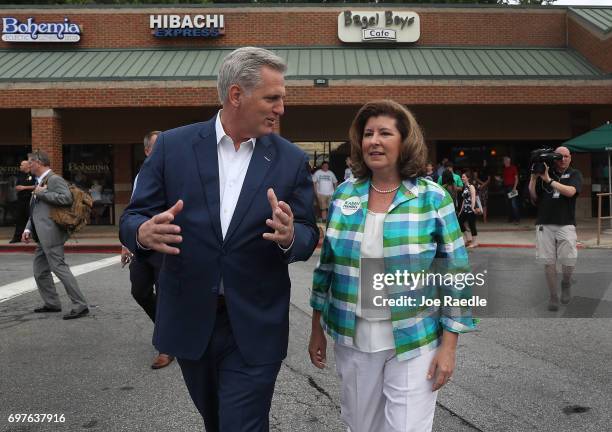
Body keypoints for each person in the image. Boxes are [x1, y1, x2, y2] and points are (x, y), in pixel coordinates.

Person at [120, 47, 319, 431]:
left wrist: (291, 235)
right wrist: (142, 233)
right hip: (190, 318)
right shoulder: (173, 147)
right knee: (215, 420)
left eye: (282, 99)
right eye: (272, 98)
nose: (281, 109)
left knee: (241, 424)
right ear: (236, 95)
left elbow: (309, 233)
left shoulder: (290, 159)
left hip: (255, 322)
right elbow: (132, 216)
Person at [309, 100, 476, 432]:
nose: (374, 140)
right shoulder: (345, 195)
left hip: (414, 339)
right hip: (353, 337)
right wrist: (316, 329)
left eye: (385, 133)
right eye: (368, 133)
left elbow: (456, 274)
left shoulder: (433, 198)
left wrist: (450, 346)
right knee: (360, 426)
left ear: (405, 141)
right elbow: (326, 268)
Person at [120, 130, 173, 370]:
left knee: (165, 294)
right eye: (158, 146)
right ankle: (165, 330)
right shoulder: (141, 175)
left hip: (165, 242)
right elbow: (133, 211)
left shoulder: (173, 173)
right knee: (139, 291)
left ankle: (167, 345)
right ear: (147, 150)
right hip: (142, 244)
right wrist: (126, 242)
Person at [22, 150, 90, 320]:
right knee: (40, 271)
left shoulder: (54, 179)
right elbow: (36, 210)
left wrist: (41, 192)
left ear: (38, 162)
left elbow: (66, 198)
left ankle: (80, 305)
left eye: (30, 162)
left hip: (51, 233)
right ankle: (52, 303)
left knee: (59, 267)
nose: (28, 165)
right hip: (42, 234)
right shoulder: (40, 182)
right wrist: (28, 229)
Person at [528, 146, 582, 312]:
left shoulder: (574, 174)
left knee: (569, 260)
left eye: (566, 156)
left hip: (566, 222)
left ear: (570, 158)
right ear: (554, 158)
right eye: (560, 157)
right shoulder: (545, 171)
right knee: (548, 262)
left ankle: (565, 282)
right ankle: (553, 296)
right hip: (545, 223)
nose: (563, 160)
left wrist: (549, 180)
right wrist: (534, 177)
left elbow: (571, 192)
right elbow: (533, 196)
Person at [10, 160, 36, 243]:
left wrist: (24, 187)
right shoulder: (20, 175)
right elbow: (17, 186)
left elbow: (37, 186)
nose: (20, 166)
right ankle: (17, 237)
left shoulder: (34, 175)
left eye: (22, 165)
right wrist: (17, 188)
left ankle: (36, 237)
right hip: (21, 200)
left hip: (30, 200)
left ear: (28, 166)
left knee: (32, 219)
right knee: (19, 219)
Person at [458, 171, 479, 248]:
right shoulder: (465, 187)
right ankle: (468, 239)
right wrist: (460, 211)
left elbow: (473, 197)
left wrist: (473, 207)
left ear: (468, 178)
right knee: (459, 222)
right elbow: (464, 200)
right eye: (462, 177)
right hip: (465, 209)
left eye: (463, 177)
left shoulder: (471, 186)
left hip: (471, 209)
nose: (462, 178)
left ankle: (474, 242)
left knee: (472, 225)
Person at [503, 156, 520, 224]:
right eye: (504, 161)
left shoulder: (513, 168)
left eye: (504, 161)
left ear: (507, 161)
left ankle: (517, 219)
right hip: (506, 187)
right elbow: (505, 179)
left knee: (513, 204)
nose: (504, 162)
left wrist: (514, 188)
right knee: (509, 204)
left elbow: (516, 178)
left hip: (512, 187)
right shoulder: (504, 169)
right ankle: (510, 219)